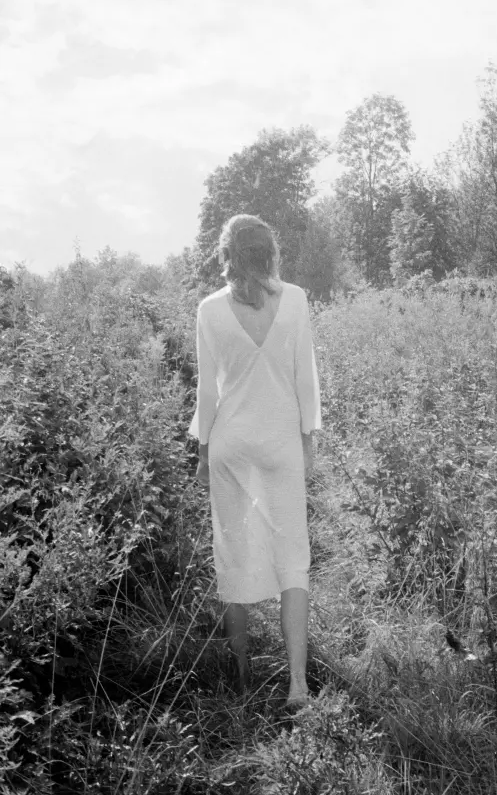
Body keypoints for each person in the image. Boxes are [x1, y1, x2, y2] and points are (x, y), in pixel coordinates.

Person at [188, 214, 321, 709]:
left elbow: (206, 391)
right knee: (293, 560)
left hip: (230, 444)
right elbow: (305, 377)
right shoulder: (297, 300)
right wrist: (308, 441)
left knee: (234, 552)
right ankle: (297, 685)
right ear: (271, 252)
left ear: (226, 255)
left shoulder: (210, 309)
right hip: (280, 442)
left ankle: (242, 676)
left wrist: (203, 453)